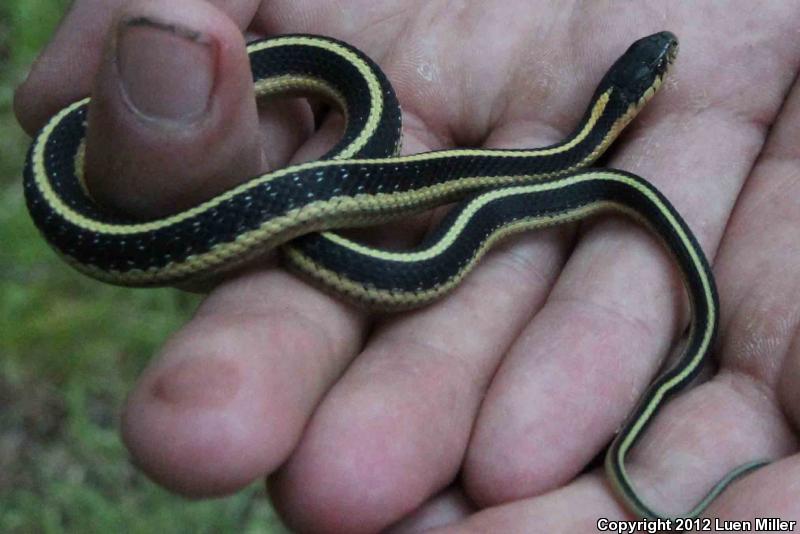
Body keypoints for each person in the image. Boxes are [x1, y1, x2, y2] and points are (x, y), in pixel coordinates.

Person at [14, 0, 800, 531]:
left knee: (324, 216)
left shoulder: (570, 160)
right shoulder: (561, 157)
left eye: (655, 68)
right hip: (179, 184)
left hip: (434, 190)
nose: (664, 65)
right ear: (633, 98)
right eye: (658, 69)